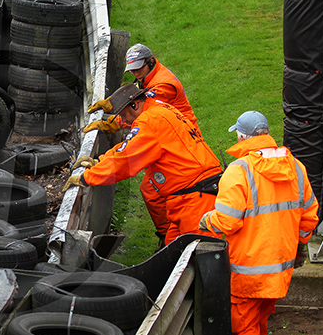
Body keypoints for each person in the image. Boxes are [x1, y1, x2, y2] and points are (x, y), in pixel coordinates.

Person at [198, 110, 319, 335]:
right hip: (281, 265)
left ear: (241, 136)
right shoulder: (296, 167)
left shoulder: (238, 171)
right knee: (261, 316)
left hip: (248, 266)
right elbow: (309, 217)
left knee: (244, 321)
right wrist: (299, 246)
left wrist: (207, 220)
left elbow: (227, 220)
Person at [63, 83, 223, 246]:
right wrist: (100, 161)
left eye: (124, 116)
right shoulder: (160, 110)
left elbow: (126, 161)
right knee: (173, 251)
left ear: (135, 105)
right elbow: (130, 146)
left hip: (195, 198)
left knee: (204, 256)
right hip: (188, 194)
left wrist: (86, 178)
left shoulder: (150, 120)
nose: (123, 122)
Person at [83, 43, 198, 247]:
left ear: (150, 62)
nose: (135, 73)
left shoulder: (162, 86)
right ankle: (167, 235)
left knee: (155, 188)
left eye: (139, 68)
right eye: (132, 69)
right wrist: (110, 103)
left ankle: (168, 236)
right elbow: (135, 99)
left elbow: (139, 109)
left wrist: (112, 124)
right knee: (151, 188)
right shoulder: (150, 76)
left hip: (177, 138)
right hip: (169, 132)